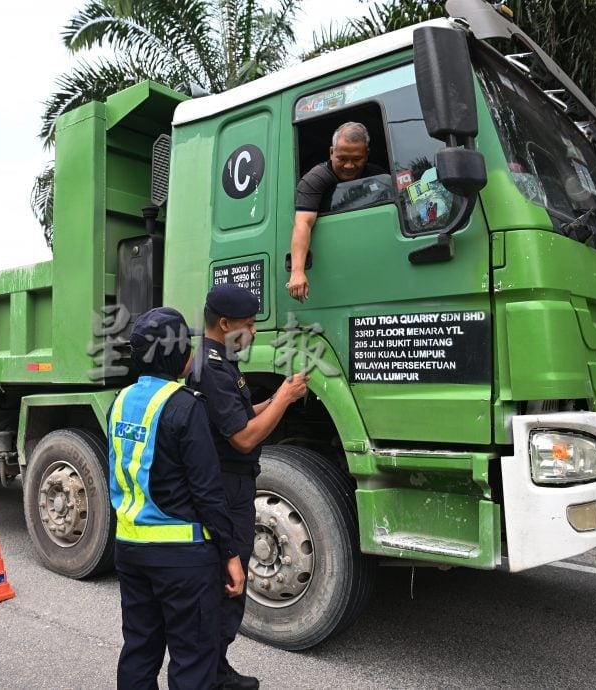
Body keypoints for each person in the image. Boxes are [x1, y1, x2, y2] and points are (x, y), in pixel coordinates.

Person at [109, 307, 246, 690]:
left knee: (139, 648)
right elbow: (208, 493)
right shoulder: (187, 406)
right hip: (182, 558)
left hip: (131, 549)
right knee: (192, 658)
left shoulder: (119, 402)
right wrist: (230, 555)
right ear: (176, 354)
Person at [187, 284, 310, 690]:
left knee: (228, 588)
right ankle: (209, 674)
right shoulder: (211, 368)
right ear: (225, 324)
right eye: (249, 324)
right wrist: (284, 398)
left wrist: (279, 400)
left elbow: (238, 416)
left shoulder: (221, 362)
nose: (254, 331)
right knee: (226, 583)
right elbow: (241, 437)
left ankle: (216, 668)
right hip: (226, 488)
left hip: (234, 485)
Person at [288, 121, 387, 303]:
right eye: (342, 158)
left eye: (357, 159)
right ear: (331, 152)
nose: (349, 166)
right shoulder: (313, 180)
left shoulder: (380, 177)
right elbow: (303, 223)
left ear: (367, 154)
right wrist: (297, 272)